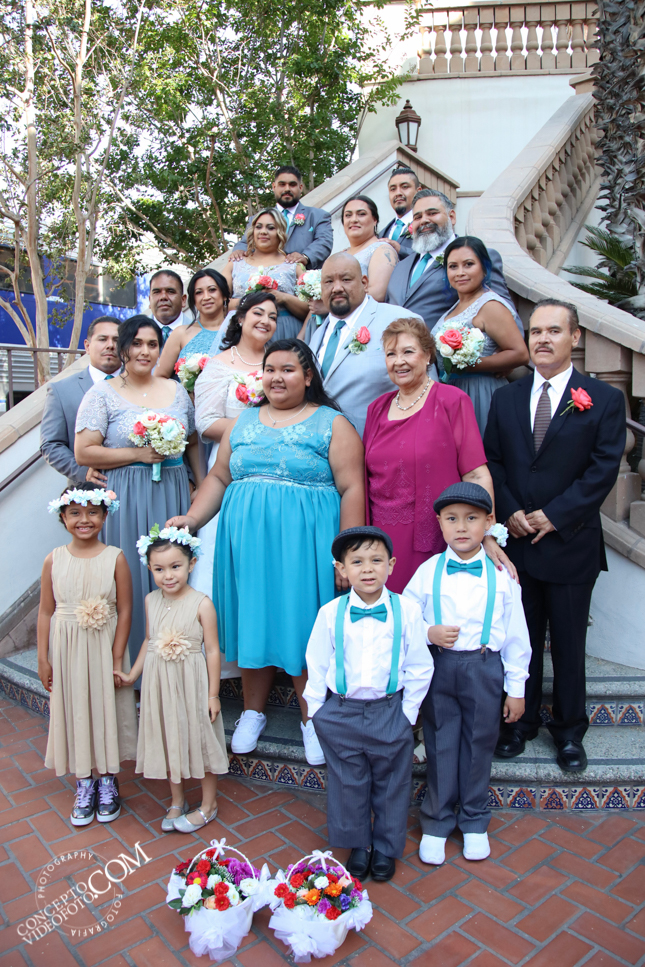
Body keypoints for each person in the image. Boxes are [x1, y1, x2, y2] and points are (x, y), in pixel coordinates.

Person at [167, 339, 365, 764]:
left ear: (308, 377)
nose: (276, 377)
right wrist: (192, 519)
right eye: (270, 369)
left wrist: (346, 552)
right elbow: (218, 478)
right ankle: (252, 712)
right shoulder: (243, 421)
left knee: (303, 623)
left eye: (288, 369)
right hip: (247, 546)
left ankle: (312, 718)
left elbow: (352, 487)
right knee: (252, 619)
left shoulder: (333, 424)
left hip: (306, 546)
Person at [484, 299, 625, 772]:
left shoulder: (603, 399)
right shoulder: (506, 398)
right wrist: (511, 510)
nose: (542, 339)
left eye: (554, 330)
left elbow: (603, 469)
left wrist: (555, 515)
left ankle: (568, 731)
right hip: (518, 545)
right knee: (519, 640)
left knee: (567, 644)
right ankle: (519, 724)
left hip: (570, 543)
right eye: (536, 331)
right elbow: (493, 460)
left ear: (575, 337)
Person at [404, 483, 530, 865]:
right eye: (452, 519)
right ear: (440, 523)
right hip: (440, 667)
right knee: (440, 743)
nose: (461, 527)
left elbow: (517, 635)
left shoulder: (502, 576)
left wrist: (516, 688)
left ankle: (474, 820)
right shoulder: (427, 572)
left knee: (479, 744)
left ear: (489, 523)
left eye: (471, 518)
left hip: (484, 667)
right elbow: (404, 619)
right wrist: (428, 632)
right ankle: (437, 821)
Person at [304, 526, 434, 883]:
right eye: (357, 561)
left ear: (391, 565)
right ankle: (357, 843)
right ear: (342, 569)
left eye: (376, 560)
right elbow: (317, 662)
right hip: (341, 711)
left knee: (392, 783)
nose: (367, 569)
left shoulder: (407, 611)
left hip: (388, 710)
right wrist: (316, 712)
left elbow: (420, 666)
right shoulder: (330, 612)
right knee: (347, 783)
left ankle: (386, 846)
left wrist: (407, 714)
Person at [75, 315, 199, 668]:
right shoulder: (102, 394)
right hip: (126, 494)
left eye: (153, 344)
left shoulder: (176, 390)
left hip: (172, 491)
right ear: (123, 349)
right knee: (130, 575)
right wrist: (137, 454)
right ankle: (129, 667)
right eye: (137, 344)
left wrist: (200, 484)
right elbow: (84, 451)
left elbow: (191, 442)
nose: (145, 351)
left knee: (174, 574)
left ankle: (173, 663)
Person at [364, 317, 512, 593]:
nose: (399, 361)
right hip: (381, 540)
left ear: (428, 354)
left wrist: (488, 533)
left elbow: (476, 474)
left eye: (408, 351)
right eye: (391, 354)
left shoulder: (451, 401)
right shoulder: (376, 408)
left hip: (432, 536)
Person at [115, 528, 228, 833]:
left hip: (192, 682)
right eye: (159, 569)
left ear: (192, 564)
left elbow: (212, 650)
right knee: (168, 736)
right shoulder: (151, 600)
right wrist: (132, 675)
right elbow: (149, 640)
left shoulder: (202, 603)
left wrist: (213, 694)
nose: (168, 576)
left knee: (200, 737)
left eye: (175, 566)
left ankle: (208, 804)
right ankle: (177, 799)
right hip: (160, 682)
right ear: (149, 568)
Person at [190, 291, 278, 679]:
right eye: (258, 312)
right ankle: (220, 654)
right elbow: (206, 423)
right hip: (230, 466)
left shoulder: (280, 361)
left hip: (276, 467)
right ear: (240, 318)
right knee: (223, 553)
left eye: (273, 316)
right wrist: (259, 425)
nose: (266, 320)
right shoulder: (219, 365)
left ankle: (267, 645)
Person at [37, 484, 137, 826]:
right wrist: (43, 658)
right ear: (62, 517)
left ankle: (108, 779)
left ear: (105, 516)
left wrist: (116, 656)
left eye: (93, 512)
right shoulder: (53, 559)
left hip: (104, 646)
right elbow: (45, 611)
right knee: (76, 707)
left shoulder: (115, 557)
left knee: (105, 707)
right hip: (67, 649)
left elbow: (125, 609)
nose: (85, 519)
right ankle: (84, 781)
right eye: (75, 513)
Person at [306, 254, 424, 437]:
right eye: (328, 282)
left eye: (346, 279)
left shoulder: (400, 320)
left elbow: (424, 391)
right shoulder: (316, 335)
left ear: (364, 283)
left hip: (382, 441)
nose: (337, 288)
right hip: (322, 443)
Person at [385, 189, 520, 334]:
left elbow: (510, 322)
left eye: (432, 213)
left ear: (452, 217)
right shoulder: (401, 266)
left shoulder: (478, 259)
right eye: (417, 217)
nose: (424, 220)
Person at [432, 237, 529, 435]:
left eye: (468, 264)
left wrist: (468, 364)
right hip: (453, 390)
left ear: (484, 268)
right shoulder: (456, 306)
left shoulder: (490, 305)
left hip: (479, 391)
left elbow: (520, 354)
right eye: (453, 266)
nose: (460, 272)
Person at [41, 316, 121, 486]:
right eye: (102, 339)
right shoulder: (61, 390)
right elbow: (51, 444)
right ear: (87, 346)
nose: (110, 345)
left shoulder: (142, 386)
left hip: (135, 488)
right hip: (86, 493)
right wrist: (82, 472)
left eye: (116, 340)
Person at [222, 208, 308, 341]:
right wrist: (248, 301)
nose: (263, 231)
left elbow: (311, 309)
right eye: (258, 227)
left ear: (280, 232)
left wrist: (284, 298)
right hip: (243, 333)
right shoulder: (235, 263)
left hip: (285, 333)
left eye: (270, 228)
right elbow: (219, 304)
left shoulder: (293, 265)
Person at [230, 165, 333, 270]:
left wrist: (305, 257)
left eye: (292, 185)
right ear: (274, 187)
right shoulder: (257, 219)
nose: (287, 189)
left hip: (304, 276)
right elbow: (245, 242)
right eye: (282, 184)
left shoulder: (317, 216)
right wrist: (239, 251)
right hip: (265, 276)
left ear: (300, 188)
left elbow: (324, 242)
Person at [156, 269, 231, 379]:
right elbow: (159, 378)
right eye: (199, 292)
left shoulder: (239, 331)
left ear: (224, 295)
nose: (206, 297)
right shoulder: (180, 334)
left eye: (212, 290)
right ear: (193, 299)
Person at [340, 195, 398, 302]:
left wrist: (332, 304)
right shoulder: (341, 254)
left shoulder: (383, 250)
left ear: (374, 220)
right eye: (348, 215)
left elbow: (378, 294)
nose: (354, 219)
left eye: (361, 214)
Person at [379, 166, 418, 258]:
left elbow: (432, 258)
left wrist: (400, 249)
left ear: (418, 191)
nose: (398, 193)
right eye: (393, 189)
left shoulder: (427, 225)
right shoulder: (381, 234)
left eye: (404, 187)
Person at [148, 270, 187, 344]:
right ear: (150, 300)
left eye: (170, 291)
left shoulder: (199, 332)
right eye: (157, 292)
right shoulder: (133, 332)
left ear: (183, 300)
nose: (163, 297)